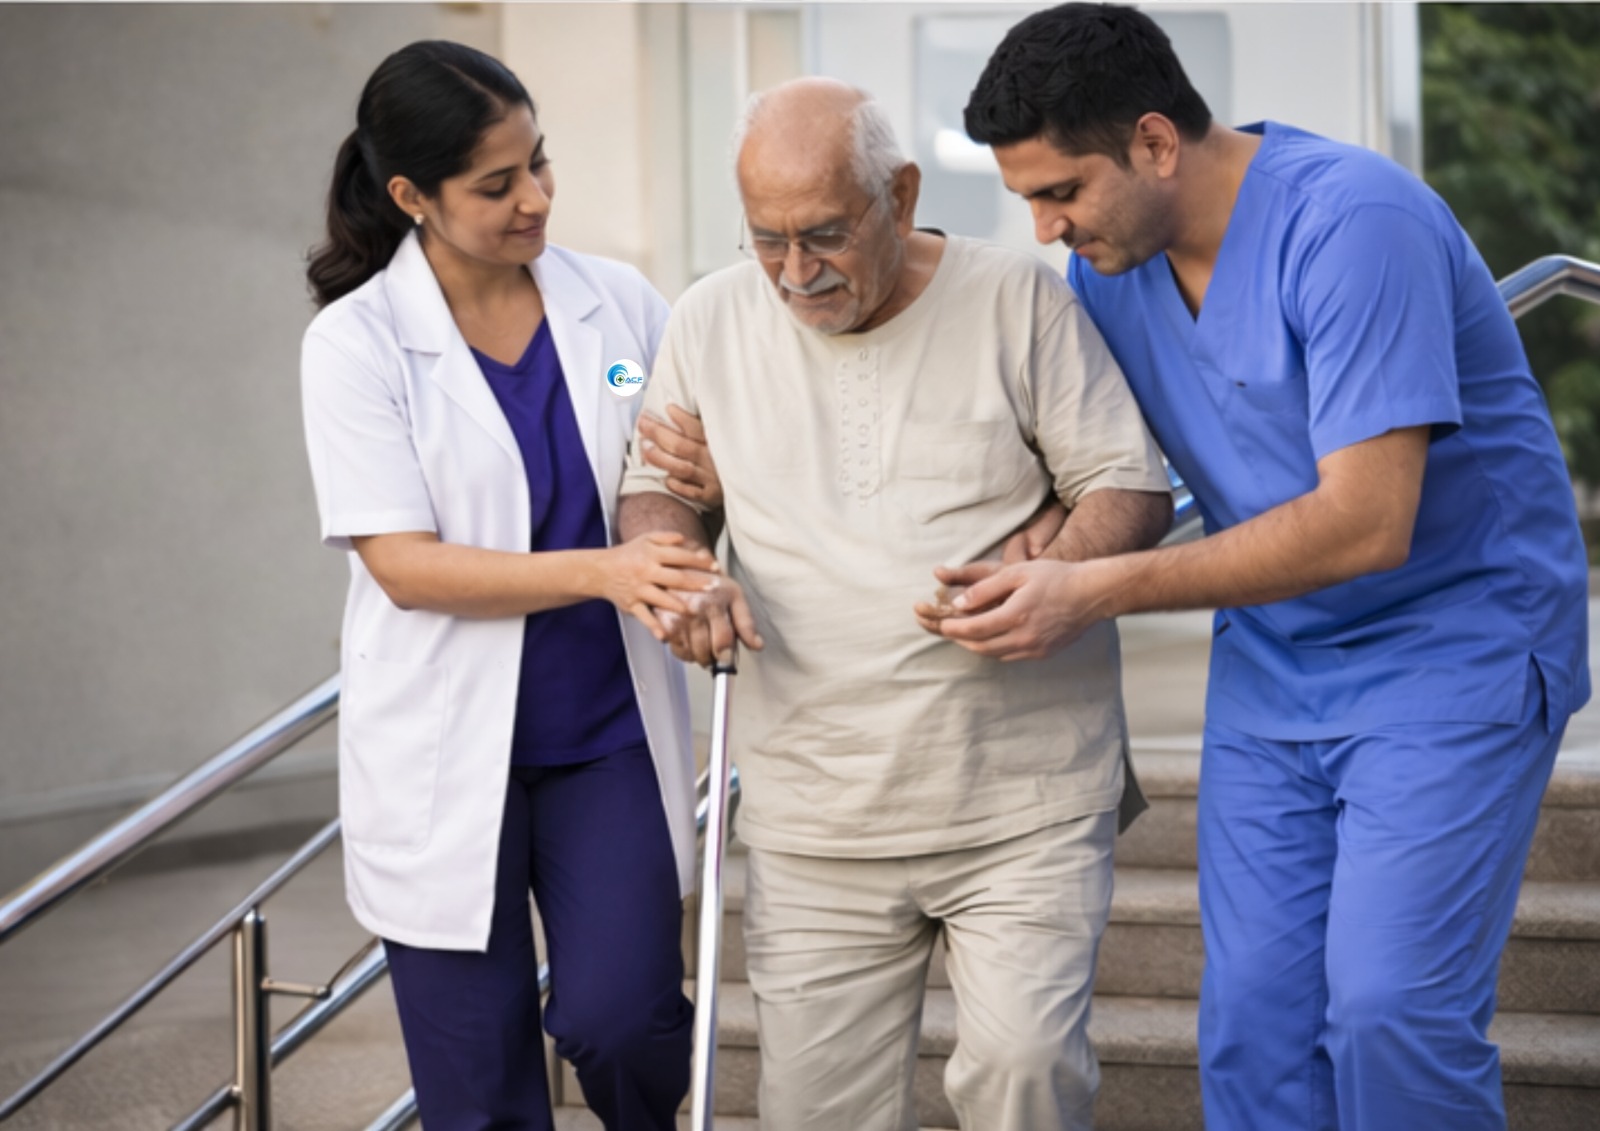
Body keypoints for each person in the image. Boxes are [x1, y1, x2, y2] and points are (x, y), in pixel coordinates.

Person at [957, 5, 1592, 1130]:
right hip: (1278, 664)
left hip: (1456, 644)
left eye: (1062, 192)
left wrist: (1091, 590)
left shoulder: (1354, 221)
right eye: (1029, 202)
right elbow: (1092, 470)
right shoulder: (1111, 270)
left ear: (1155, 142)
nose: (1048, 230)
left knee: (1391, 1012)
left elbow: (1363, 524)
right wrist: (1039, 544)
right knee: (1254, 1023)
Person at [618, 77, 1172, 1131]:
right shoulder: (706, 316)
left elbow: (1126, 487)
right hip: (814, 808)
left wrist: (1057, 576)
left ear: (902, 194)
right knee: (811, 1114)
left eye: (823, 235)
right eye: (765, 240)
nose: (793, 272)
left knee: (1023, 1079)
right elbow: (653, 495)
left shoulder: (1018, 298)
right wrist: (680, 574)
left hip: (1021, 800)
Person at [299, 40, 721, 1131]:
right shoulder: (358, 345)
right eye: (497, 184)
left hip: (605, 737)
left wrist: (711, 486)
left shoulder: (618, 308)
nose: (534, 198)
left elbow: (681, 457)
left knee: (625, 1020)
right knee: (479, 1085)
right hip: (441, 751)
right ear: (411, 197)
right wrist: (608, 569)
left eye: (540, 163)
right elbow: (402, 564)